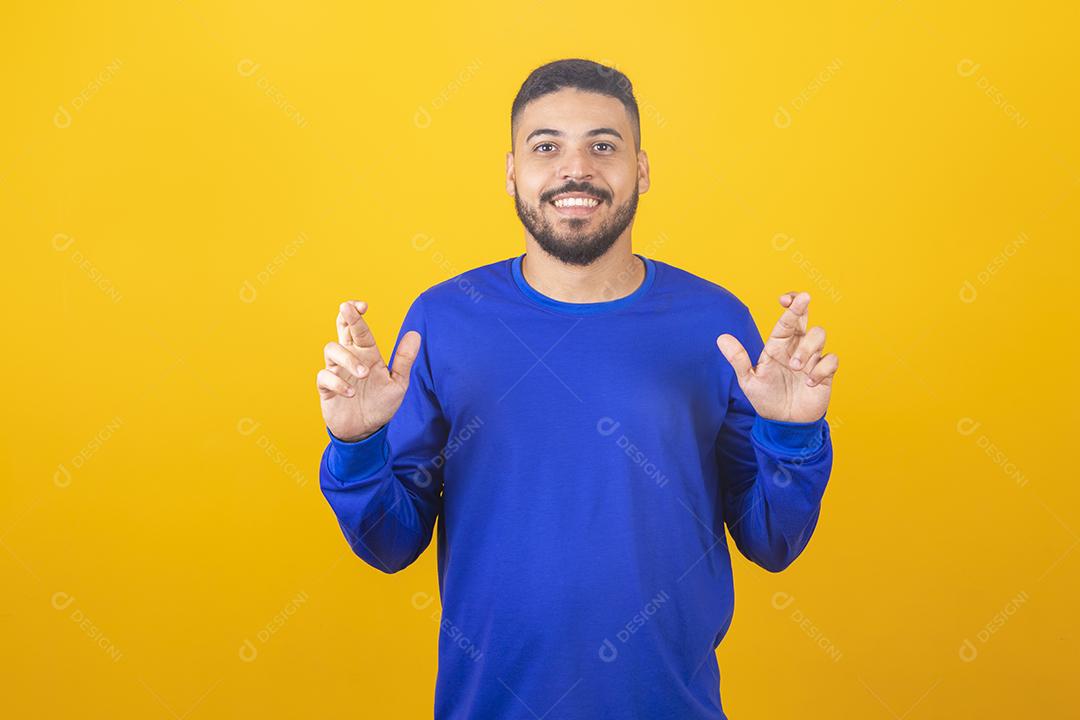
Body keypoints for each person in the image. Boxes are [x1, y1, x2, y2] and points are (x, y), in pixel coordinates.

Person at [316, 57, 839, 720]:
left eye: (603, 146)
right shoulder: (444, 319)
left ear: (641, 170)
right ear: (512, 172)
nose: (576, 170)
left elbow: (773, 542)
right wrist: (357, 443)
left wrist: (792, 436)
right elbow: (390, 545)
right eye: (546, 147)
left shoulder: (716, 324)